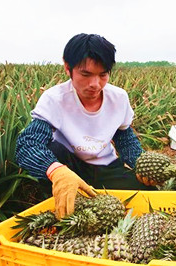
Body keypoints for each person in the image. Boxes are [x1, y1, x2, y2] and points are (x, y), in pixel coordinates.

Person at [15, 33, 155, 219]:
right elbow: (28, 144)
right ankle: (56, 196)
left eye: (103, 75)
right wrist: (56, 171)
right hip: (70, 167)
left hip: (106, 167)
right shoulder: (54, 99)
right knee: (52, 149)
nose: (95, 84)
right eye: (85, 74)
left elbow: (125, 138)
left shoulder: (119, 98)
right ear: (68, 67)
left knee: (149, 200)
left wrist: (140, 163)